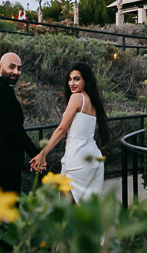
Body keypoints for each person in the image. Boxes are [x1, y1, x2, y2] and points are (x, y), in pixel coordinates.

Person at [30, 62, 109, 202]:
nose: (71, 83)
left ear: (86, 80)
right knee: (87, 211)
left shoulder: (77, 97)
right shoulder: (93, 101)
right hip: (92, 158)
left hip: (77, 158)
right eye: (70, 79)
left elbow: (62, 129)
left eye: (77, 79)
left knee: (67, 212)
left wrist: (42, 154)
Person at [0, 51, 41, 195]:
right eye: (12, 67)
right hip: (3, 160)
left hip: (1, 159)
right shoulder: (0, 89)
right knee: (11, 207)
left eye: (19, 68)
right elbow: (14, 129)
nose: (16, 72)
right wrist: (36, 154)